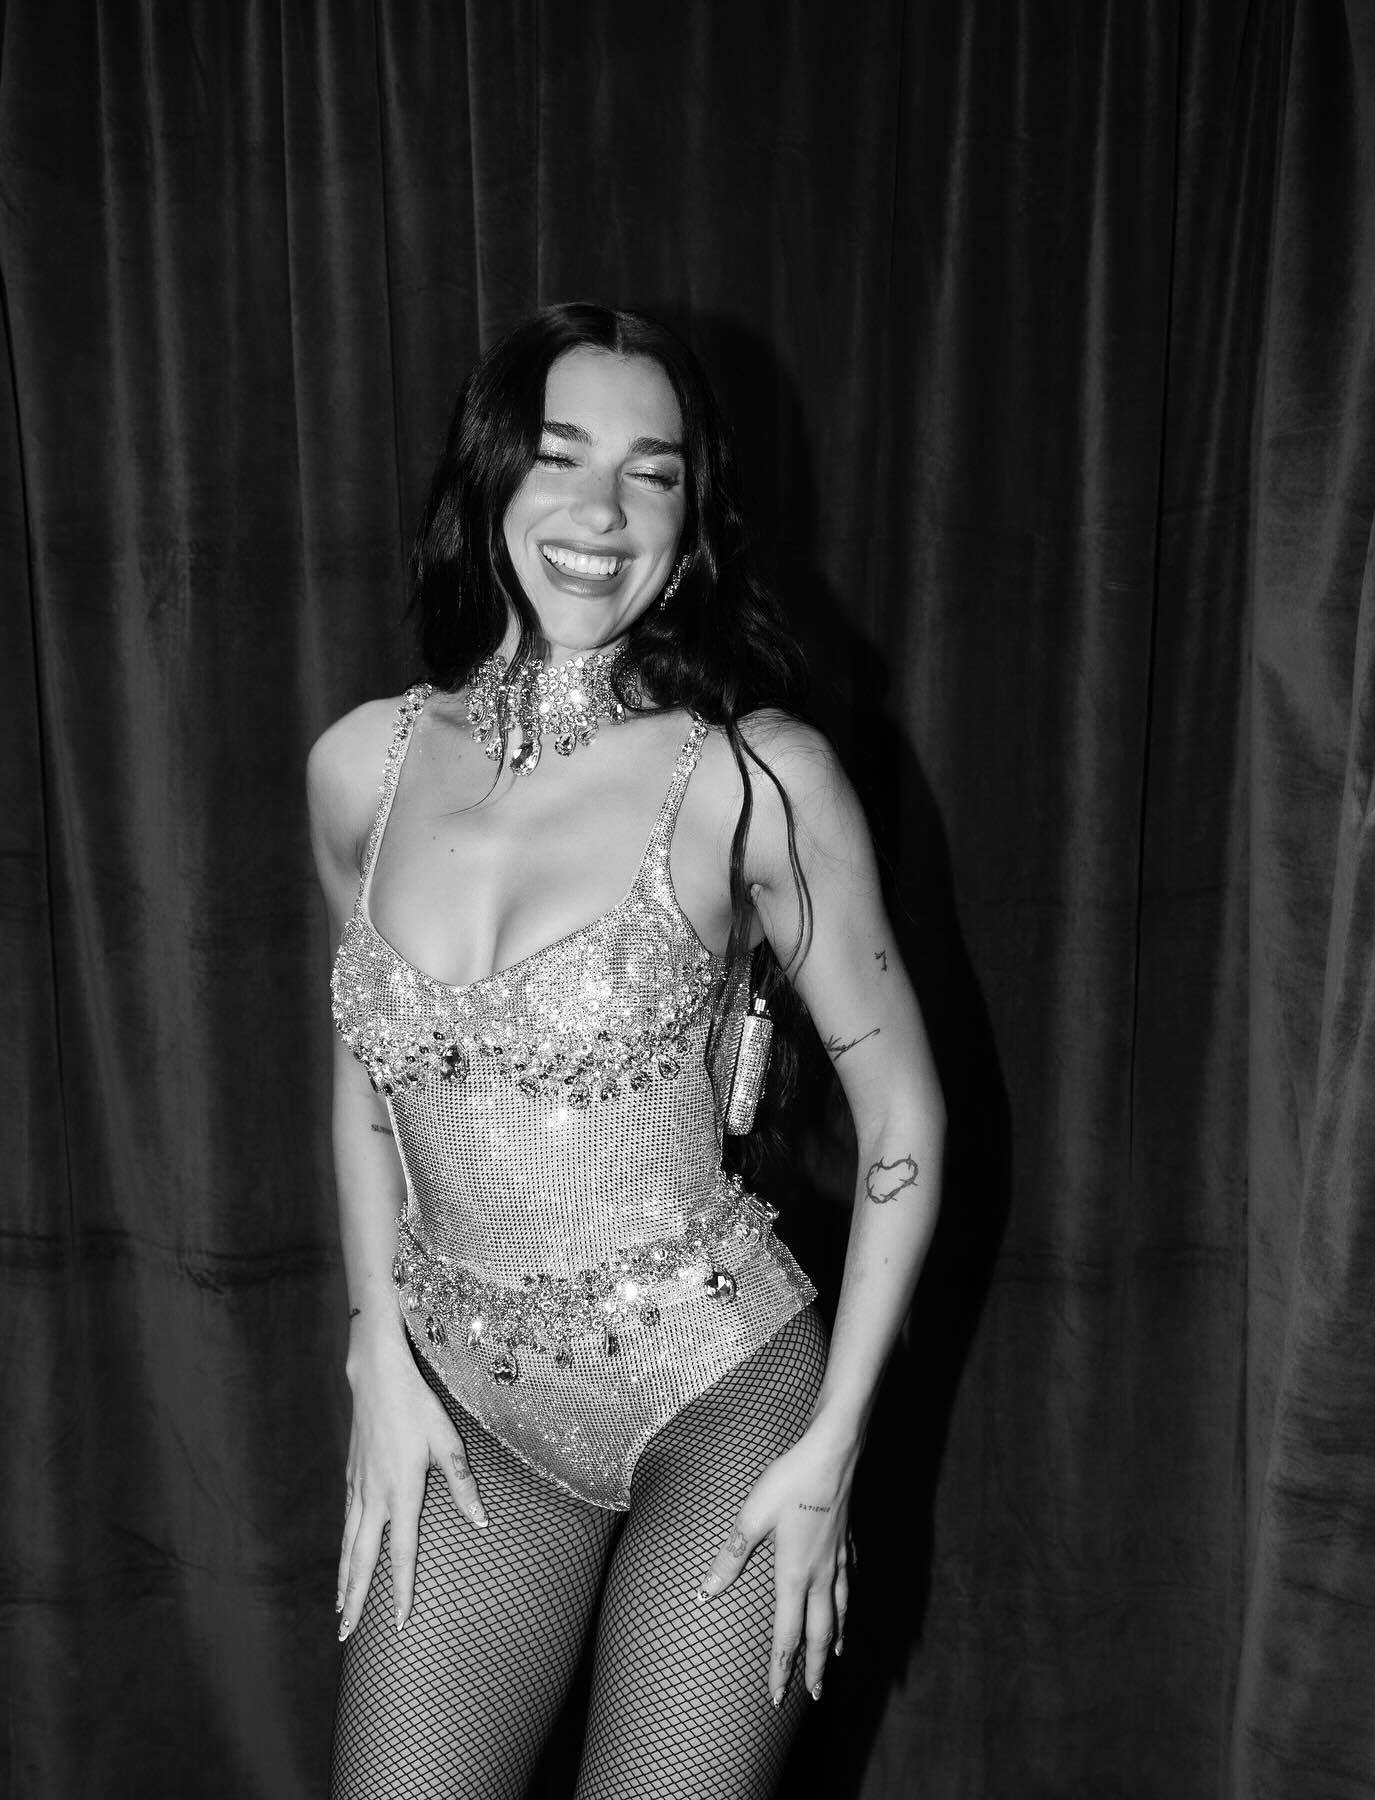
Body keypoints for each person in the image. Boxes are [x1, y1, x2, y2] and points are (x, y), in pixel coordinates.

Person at [307, 301, 945, 1799]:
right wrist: (376, 1355)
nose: (601, 511)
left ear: (690, 516)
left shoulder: (756, 780)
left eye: (652, 474)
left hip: (720, 1389)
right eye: (560, 456)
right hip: (469, 1395)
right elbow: (366, 1085)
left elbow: (906, 1115)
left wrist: (838, 1442)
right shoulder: (361, 770)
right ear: (489, 479)